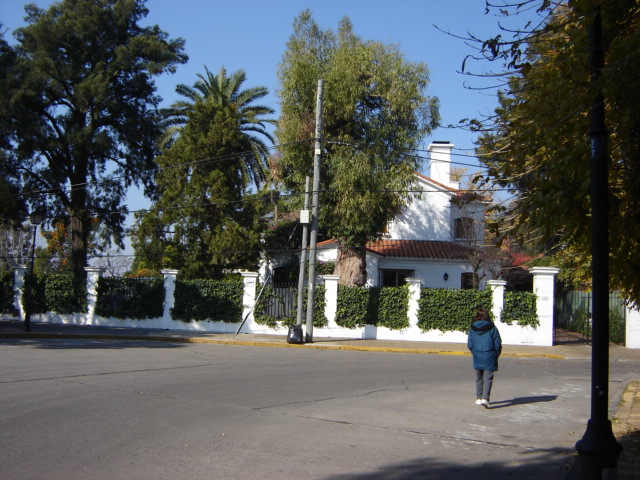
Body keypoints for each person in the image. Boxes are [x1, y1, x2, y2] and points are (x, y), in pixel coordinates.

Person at [467, 308, 502, 409]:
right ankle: (485, 398)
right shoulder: (492, 328)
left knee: (479, 377)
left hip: (477, 354)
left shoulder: (472, 328)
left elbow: (470, 344)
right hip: (489, 354)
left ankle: (478, 397)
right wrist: (496, 354)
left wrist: (475, 352)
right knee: (488, 377)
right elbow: (497, 343)